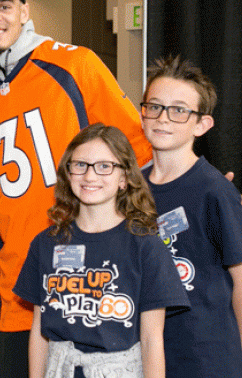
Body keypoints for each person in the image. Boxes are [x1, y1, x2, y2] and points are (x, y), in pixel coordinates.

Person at [0, 0, 153, 377]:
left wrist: (201, 194)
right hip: (20, 289)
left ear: (24, 12)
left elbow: (140, 150)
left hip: (92, 280)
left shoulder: (74, 64)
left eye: (4, 5)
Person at [14, 123, 189, 378]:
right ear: (68, 172)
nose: (90, 176)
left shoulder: (145, 245)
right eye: (80, 165)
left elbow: (152, 339)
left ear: (124, 178)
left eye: (105, 166)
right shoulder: (47, 243)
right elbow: (39, 328)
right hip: (60, 369)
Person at [139, 56, 242, 377]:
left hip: (204, 353)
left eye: (179, 110)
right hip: (145, 348)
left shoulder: (215, 191)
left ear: (201, 124)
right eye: (155, 106)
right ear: (142, 113)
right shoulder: (129, 188)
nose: (164, 118)